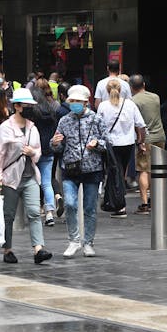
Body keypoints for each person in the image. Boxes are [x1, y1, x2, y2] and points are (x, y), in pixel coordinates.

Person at [0, 88, 52, 265]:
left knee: (33, 212)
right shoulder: (5, 128)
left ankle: (38, 248)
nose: (29, 108)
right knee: (8, 215)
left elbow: (38, 151)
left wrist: (33, 152)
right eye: (26, 105)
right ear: (17, 106)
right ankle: (7, 249)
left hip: (30, 175)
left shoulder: (33, 128)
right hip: (10, 178)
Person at [51, 85, 109, 258]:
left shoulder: (96, 119)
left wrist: (97, 144)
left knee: (90, 208)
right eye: (72, 101)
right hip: (70, 168)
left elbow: (107, 142)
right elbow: (56, 146)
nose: (74, 104)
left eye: (78, 101)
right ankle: (74, 240)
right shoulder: (64, 121)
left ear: (86, 102)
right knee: (69, 203)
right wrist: (55, 143)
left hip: (92, 169)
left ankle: (88, 242)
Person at [97, 79, 146, 218]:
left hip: (111, 144)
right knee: (120, 171)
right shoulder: (130, 104)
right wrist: (141, 142)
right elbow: (141, 124)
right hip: (128, 143)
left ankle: (120, 205)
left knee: (115, 172)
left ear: (107, 90)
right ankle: (112, 202)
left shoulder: (103, 106)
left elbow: (97, 125)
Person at [129, 74, 166, 215]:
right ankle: (155, 199)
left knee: (143, 169)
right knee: (155, 169)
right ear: (144, 84)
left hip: (145, 138)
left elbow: (136, 124)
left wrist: (140, 140)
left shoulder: (133, 101)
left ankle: (145, 203)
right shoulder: (155, 97)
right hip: (160, 136)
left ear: (131, 87)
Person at [29, 85, 61, 226]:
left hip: (33, 152)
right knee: (47, 182)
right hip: (48, 151)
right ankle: (49, 214)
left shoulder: (31, 115)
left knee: (33, 182)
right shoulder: (50, 111)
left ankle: (35, 210)